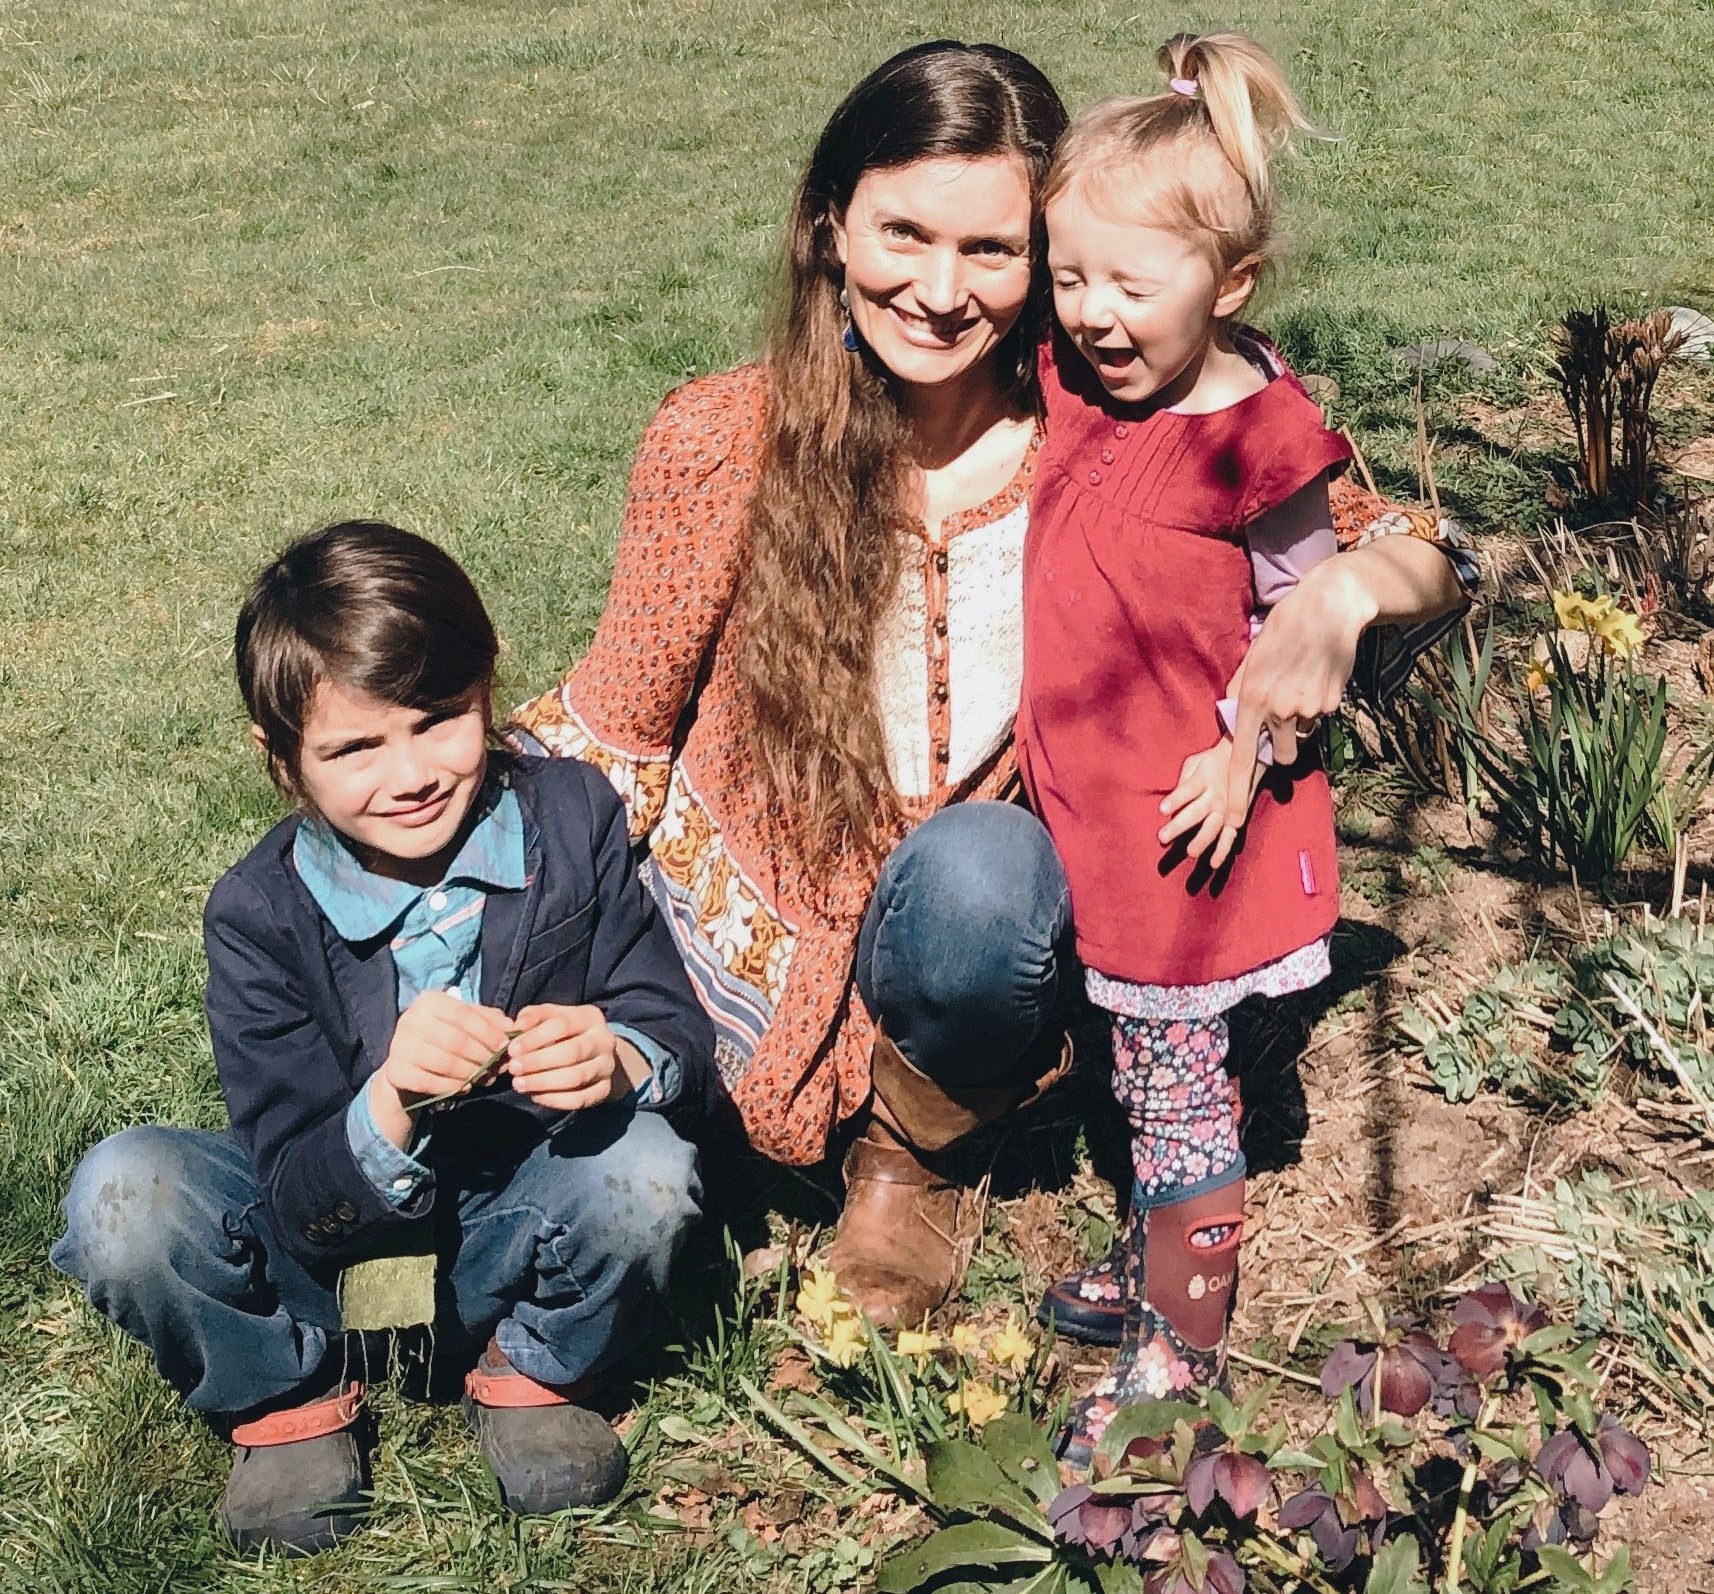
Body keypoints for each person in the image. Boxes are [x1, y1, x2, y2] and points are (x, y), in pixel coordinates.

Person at [512, 41, 1477, 1332]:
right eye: (901, 233)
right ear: (828, 227)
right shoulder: (722, 438)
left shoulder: (1112, 428)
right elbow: (609, 731)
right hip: (745, 944)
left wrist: (1342, 593)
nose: (936, 290)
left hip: (980, 952)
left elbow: (1416, 545)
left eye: (991, 251)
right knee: (620, 1184)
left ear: (1044, 262)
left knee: (980, 869)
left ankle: (914, 1163)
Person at [52, 523, 713, 1552]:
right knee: (123, 1192)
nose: (408, 773)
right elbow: (286, 1168)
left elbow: (670, 1018)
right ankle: (282, 1397)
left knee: (647, 1165)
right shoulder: (256, 913)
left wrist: (619, 1053)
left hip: (513, 1220)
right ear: (281, 761)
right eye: (354, 747)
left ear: (487, 688)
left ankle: (535, 1368)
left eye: (438, 719)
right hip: (319, 1246)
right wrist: (390, 1101)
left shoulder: (571, 817)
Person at [1018, 32, 1426, 1463]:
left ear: (1230, 287)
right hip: (1104, 816)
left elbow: (1296, 631)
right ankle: (1150, 1265)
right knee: (1138, 1068)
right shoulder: (1080, 385)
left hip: (1195, 825)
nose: (1093, 313)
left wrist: (1240, 753)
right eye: (1070, 277)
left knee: (1178, 1087)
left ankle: (1176, 1357)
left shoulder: (1257, 442)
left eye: (1132, 284)